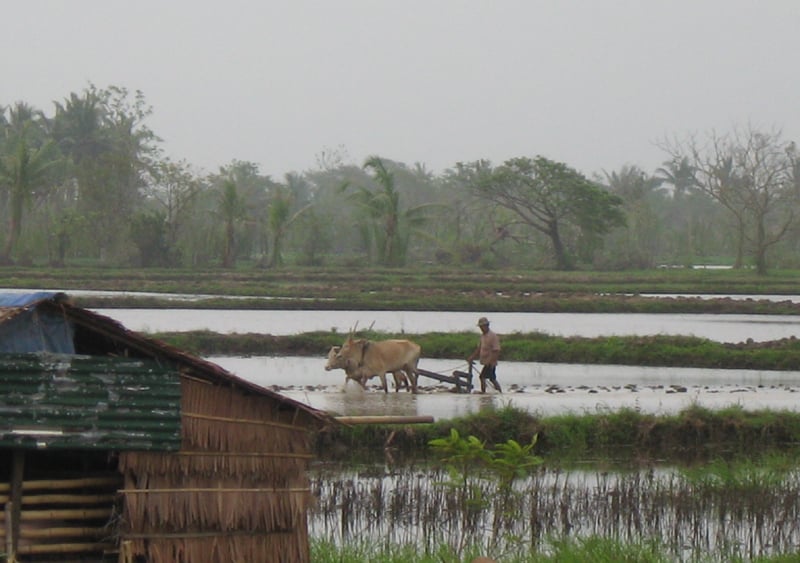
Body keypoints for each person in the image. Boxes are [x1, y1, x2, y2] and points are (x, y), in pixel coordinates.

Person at [466, 316, 502, 393]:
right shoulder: (482, 336)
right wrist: (472, 357)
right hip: (486, 362)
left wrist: (492, 361)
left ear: (487, 325)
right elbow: (479, 348)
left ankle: (484, 392)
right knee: (491, 378)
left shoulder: (493, 336)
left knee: (482, 377)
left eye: (483, 326)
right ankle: (498, 392)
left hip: (490, 362)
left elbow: (496, 350)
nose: (482, 328)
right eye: (480, 327)